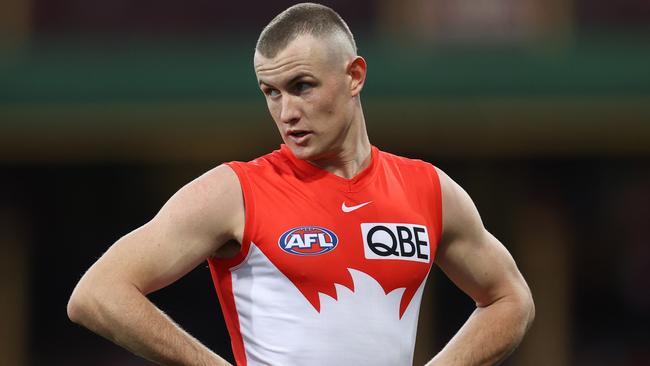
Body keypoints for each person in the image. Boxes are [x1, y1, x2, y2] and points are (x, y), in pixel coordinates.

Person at [67, 3, 535, 365]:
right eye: (271, 92)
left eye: (302, 86)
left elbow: (510, 299)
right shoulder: (235, 192)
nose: (286, 112)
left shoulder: (429, 189)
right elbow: (98, 293)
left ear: (354, 76)